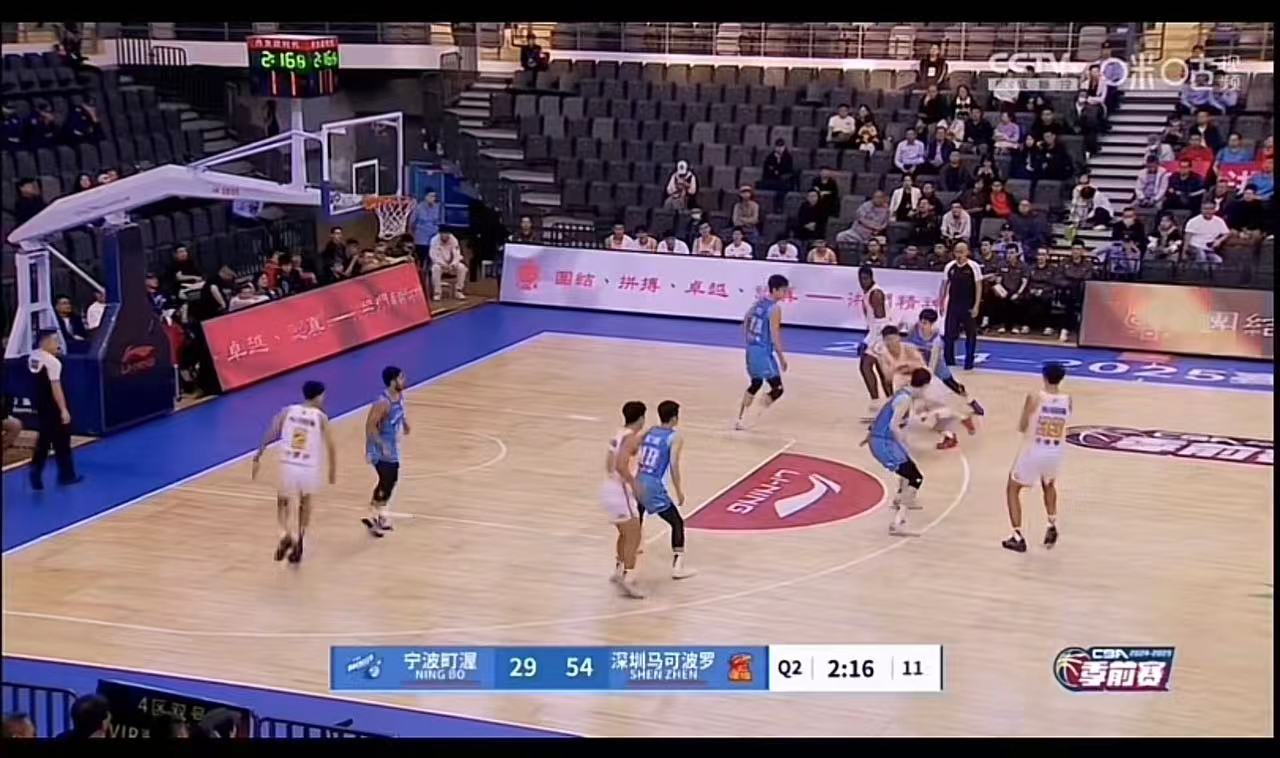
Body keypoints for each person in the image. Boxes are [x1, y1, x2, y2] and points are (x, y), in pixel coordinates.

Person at [251, 380, 336, 564]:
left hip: (288, 463)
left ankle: (284, 534)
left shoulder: (288, 411)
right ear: (319, 395)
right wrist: (332, 470)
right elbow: (330, 446)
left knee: (282, 501)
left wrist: (259, 453)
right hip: (308, 466)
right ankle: (300, 538)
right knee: (305, 503)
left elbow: (272, 432)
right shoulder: (321, 417)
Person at [623, 400, 697, 580]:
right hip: (653, 484)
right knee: (677, 522)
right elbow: (673, 465)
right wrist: (679, 491)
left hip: (638, 478)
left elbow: (635, 448)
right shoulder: (675, 437)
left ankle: (630, 555)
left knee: (639, 515)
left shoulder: (650, 431)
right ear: (674, 418)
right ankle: (678, 566)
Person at [1004, 361, 1070, 552]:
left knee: (1012, 488)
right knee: (1048, 485)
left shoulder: (1035, 397)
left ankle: (1017, 536)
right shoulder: (1068, 399)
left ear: (1044, 376)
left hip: (1035, 449)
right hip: (1055, 450)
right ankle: (1051, 523)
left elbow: (1022, 425)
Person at [860, 368, 932, 536]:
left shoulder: (903, 393)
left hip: (882, 440)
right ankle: (898, 522)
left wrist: (870, 434)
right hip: (884, 443)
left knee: (908, 471)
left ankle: (900, 498)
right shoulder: (905, 399)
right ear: (924, 385)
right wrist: (903, 446)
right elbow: (893, 425)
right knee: (916, 477)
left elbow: (883, 414)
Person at [26, 329, 81, 490]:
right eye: (55, 341)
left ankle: (36, 471)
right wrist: (63, 409)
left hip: (40, 404)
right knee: (62, 438)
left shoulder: (33, 356)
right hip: (52, 405)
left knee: (44, 438)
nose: (58, 345)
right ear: (45, 342)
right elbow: (56, 387)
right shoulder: (53, 363)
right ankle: (67, 475)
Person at [604, 401, 647, 599]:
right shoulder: (630, 439)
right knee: (634, 535)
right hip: (621, 491)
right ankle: (628, 579)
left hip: (609, 488)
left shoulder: (618, 434)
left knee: (624, 533)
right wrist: (633, 484)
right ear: (641, 418)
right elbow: (621, 465)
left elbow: (609, 463)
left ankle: (619, 570)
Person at [736, 275, 790, 431]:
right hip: (762, 352)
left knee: (756, 383)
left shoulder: (758, 303)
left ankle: (740, 419)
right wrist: (781, 357)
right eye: (783, 291)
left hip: (752, 349)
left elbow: (745, 321)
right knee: (777, 389)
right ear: (775, 290)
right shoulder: (774, 309)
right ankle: (752, 418)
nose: (785, 294)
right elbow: (775, 335)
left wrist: (749, 340)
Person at [909, 308, 985, 416]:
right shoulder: (914, 329)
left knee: (953, 385)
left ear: (932, 324)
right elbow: (909, 347)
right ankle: (906, 412)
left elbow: (933, 362)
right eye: (921, 322)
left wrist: (928, 376)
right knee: (909, 387)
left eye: (925, 323)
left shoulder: (937, 340)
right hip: (917, 362)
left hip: (937, 365)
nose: (922, 325)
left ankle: (970, 401)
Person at [364, 366, 410, 537]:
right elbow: (370, 426)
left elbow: (400, 412)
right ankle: (373, 515)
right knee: (386, 480)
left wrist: (404, 423)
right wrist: (380, 445)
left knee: (391, 480)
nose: (404, 380)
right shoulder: (382, 403)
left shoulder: (399, 396)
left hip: (391, 447)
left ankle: (380, 513)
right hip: (379, 447)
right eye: (401, 378)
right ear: (392, 381)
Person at [856, 266, 893, 416]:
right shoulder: (868, 292)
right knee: (882, 372)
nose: (862, 282)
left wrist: (867, 341)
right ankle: (892, 405)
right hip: (877, 334)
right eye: (860, 279)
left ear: (871, 278)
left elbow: (880, 322)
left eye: (865, 279)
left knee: (865, 366)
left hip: (882, 335)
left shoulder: (876, 294)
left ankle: (877, 404)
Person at [940, 242, 982, 370]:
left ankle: (969, 362)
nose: (959, 254)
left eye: (962, 252)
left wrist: (976, 306)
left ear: (967, 252)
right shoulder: (950, 266)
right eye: (957, 252)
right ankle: (949, 361)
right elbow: (944, 285)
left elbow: (978, 287)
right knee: (949, 334)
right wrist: (941, 302)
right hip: (953, 305)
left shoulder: (973, 266)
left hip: (968, 304)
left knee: (971, 334)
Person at [428, 231, 468, 300]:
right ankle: (437, 293)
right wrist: (442, 264)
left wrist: (453, 264)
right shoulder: (434, 240)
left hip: (451, 265)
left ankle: (458, 291)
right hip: (440, 264)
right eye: (443, 233)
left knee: (462, 268)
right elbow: (433, 256)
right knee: (435, 268)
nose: (445, 235)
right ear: (440, 233)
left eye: (447, 234)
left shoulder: (454, 240)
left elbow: (457, 254)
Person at [411, 191, 443, 261]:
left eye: (434, 196)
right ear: (426, 197)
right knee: (421, 256)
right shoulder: (418, 207)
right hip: (421, 236)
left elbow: (441, 222)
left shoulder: (438, 207)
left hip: (433, 235)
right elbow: (412, 222)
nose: (432, 198)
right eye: (430, 196)